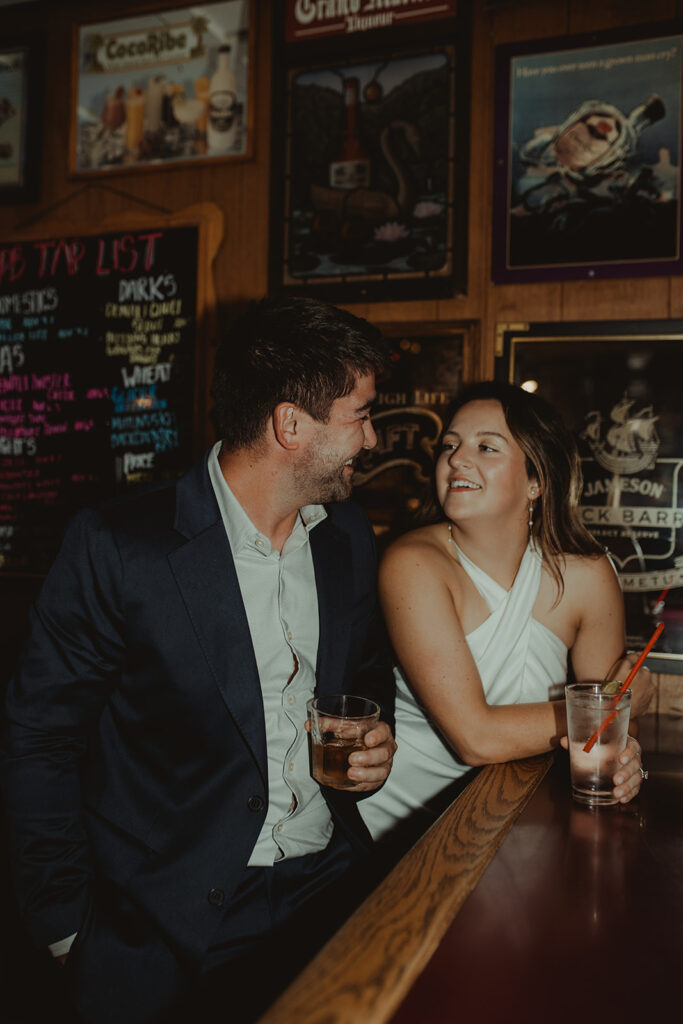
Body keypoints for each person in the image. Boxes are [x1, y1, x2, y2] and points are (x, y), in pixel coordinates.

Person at [2, 296, 396, 1024]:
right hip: (167, 928)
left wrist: (375, 737)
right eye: (361, 415)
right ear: (290, 425)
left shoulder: (346, 535)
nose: (370, 440)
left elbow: (366, 671)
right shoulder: (121, 546)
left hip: (330, 894)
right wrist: (62, 923)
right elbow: (37, 739)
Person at [359, 380, 653, 845]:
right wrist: (601, 713)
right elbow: (476, 737)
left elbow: (619, 723)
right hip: (404, 831)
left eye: (486, 446)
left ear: (536, 481)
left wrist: (627, 753)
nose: (456, 458)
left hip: (526, 813)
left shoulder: (588, 575)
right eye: (449, 445)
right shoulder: (413, 563)